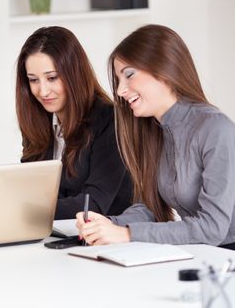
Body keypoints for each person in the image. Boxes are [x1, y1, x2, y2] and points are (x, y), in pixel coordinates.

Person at [76, 24, 235, 250]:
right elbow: (149, 207)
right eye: (118, 80)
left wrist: (126, 233)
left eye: (129, 75)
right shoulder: (154, 130)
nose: (120, 90)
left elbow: (212, 228)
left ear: (165, 71)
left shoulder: (216, 130)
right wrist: (107, 224)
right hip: (201, 255)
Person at [15, 26, 132, 220]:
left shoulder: (109, 120)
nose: (43, 91)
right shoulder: (38, 122)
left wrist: (25, 210)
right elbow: (33, 191)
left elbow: (93, 204)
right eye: (33, 80)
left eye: (52, 78)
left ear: (74, 73)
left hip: (110, 240)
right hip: (58, 235)